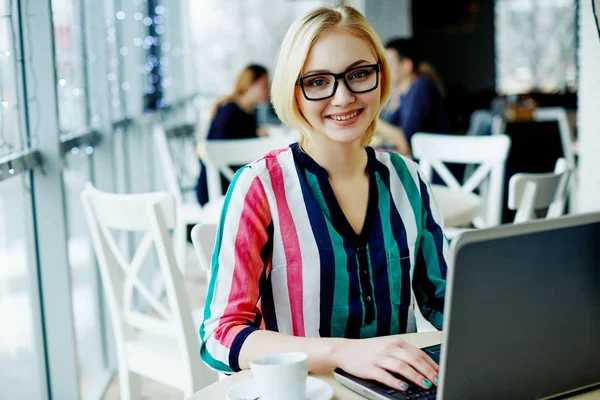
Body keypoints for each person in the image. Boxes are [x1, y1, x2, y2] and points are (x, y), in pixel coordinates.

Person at [199, 6, 447, 393]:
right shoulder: (259, 186)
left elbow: (442, 297)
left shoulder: (408, 179)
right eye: (317, 81)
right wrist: (343, 353)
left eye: (359, 74)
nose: (343, 97)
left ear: (381, 77)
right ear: (292, 91)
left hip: (401, 392)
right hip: (309, 391)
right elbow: (221, 335)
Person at [195, 64, 271, 205]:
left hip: (235, 183)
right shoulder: (228, 112)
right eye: (265, 85)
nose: (269, 90)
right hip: (217, 187)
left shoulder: (248, 113)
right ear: (250, 85)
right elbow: (219, 154)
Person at [376, 38, 450, 155]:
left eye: (389, 64)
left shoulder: (421, 87)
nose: (383, 70)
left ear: (406, 66)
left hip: (433, 168)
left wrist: (370, 120)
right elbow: (392, 123)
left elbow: (405, 143)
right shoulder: (406, 92)